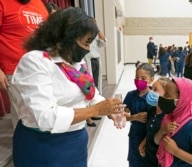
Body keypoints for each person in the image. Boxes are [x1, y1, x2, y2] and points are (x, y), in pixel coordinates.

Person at [8, 7, 125, 167]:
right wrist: (97, 110)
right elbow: (46, 118)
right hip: (43, 145)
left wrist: (111, 110)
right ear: (68, 36)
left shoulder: (75, 62)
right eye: (85, 42)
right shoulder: (36, 61)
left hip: (75, 142)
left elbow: (90, 94)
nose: (88, 49)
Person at [0, 0, 48, 126]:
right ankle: (23, 145)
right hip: (15, 70)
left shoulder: (39, 4)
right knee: (23, 117)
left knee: (43, 112)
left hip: (42, 68)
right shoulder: (3, 3)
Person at [155, 77, 192, 167]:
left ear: (182, 99)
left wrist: (176, 151)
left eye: (167, 95)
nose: (162, 98)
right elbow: (157, 141)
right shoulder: (169, 117)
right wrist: (162, 131)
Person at [138, 77, 179, 167]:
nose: (151, 92)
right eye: (151, 88)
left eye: (155, 90)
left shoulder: (168, 117)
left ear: (166, 95)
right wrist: (143, 143)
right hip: (148, 157)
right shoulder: (151, 111)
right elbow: (150, 131)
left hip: (160, 160)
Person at [123, 62, 155, 167]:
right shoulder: (131, 95)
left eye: (143, 78)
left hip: (150, 138)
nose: (139, 80)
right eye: (137, 77)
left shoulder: (154, 98)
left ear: (151, 80)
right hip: (135, 136)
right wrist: (134, 117)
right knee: (134, 162)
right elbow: (123, 116)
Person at [84, 18, 107, 126]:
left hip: (95, 60)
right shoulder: (83, 34)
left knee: (96, 85)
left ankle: (94, 111)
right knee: (88, 87)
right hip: (86, 61)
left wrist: (97, 29)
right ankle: (88, 116)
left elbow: (103, 42)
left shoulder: (95, 34)